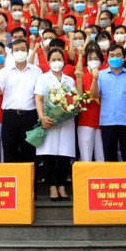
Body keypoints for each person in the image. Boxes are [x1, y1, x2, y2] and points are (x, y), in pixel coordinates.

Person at [35, 47, 77, 200]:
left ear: (64, 61)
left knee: (64, 155)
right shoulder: (43, 78)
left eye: (59, 59)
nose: (56, 62)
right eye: (53, 60)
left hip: (66, 122)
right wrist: (42, 117)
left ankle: (62, 186)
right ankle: (52, 187)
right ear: (48, 61)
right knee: (49, 155)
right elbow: (39, 98)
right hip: (49, 120)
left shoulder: (70, 80)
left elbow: (73, 99)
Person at [0, 38, 40, 163]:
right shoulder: (4, 71)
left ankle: (30, 182)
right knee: (9, 152)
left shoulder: (36, 71)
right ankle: (12, 181)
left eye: (23, 49)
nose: (20, 52)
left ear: (28, 52)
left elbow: (40, 95)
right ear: (12, 53)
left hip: (30, 117)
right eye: (16, 50)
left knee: (29, 153)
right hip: (10, 116)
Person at [92, 45, 126, 162]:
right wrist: (94, 80)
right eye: (111, 55)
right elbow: (94, 95)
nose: (115, 58)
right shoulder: (100, 75)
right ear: (107, 58)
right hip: (108, 121)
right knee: (109, 156)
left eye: (118, 55)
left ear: (124, 58)